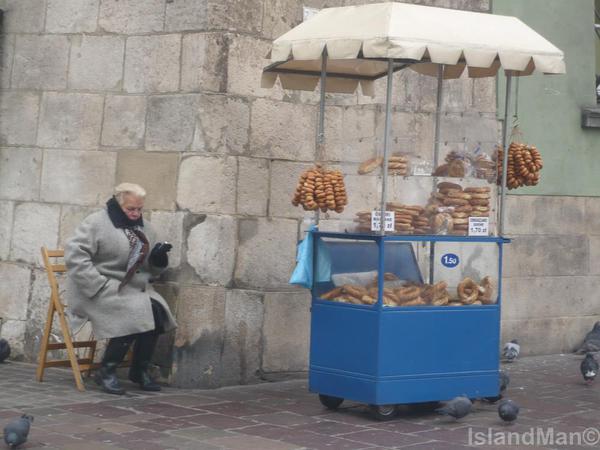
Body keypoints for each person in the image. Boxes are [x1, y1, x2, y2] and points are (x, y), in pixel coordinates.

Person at [64, 183, 177, 395]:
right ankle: (106, 371)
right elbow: (75, 256)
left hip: (130, 288)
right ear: (119, 204)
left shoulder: (146, 229)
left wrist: (159, 257)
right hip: (96, 287)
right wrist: (98, 284)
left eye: (139, 209)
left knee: (157, 311)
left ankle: (139, 370)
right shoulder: (96, 222)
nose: (136, 214)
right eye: (130, 209)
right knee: (134, 311)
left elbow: (152, 270)